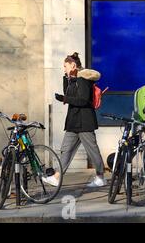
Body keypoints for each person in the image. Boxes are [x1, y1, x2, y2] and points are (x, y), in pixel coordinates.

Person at [42, 52, 106, 187]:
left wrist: (64, 99)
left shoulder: (83, 79)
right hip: (73, 122)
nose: (64, 68)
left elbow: (83, 100)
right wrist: (67, 78)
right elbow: (68, 93)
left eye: (65, 66)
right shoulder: (74, 79)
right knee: (66, 149)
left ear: (73, 65)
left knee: (92, 151)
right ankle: (57, 177)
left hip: (84, 121)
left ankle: (100, 177)